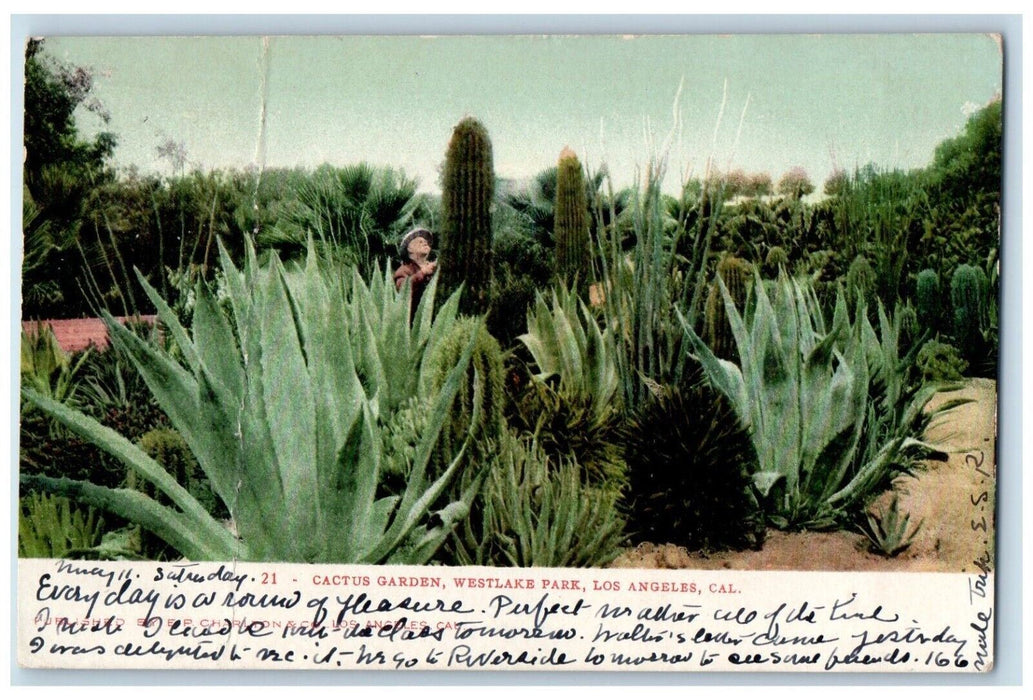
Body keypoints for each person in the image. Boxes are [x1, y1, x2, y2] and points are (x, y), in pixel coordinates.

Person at [393, 227, 437, 317]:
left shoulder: (434, 267)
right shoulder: (404, 270)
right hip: (414, 321)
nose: (425, 243)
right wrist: (422, 273)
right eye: (420, 242)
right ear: (409, 249)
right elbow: (403, 289)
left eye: (426, 242)